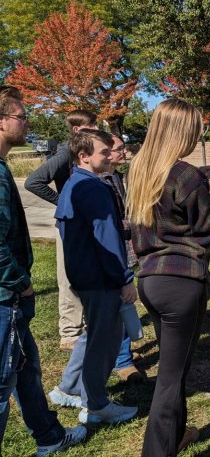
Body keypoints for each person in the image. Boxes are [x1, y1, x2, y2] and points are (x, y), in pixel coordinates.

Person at [126, 98, 210, 456]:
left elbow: (173, 204)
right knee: (170, 381)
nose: (198, 135)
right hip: (181, 282)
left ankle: (176, 434)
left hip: (150, 280)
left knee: (176, 366)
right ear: (182, 132)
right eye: (195, 130)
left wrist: (206, 176)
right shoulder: (184, 175)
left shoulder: (141, 169)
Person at [0, 85, 88, 455]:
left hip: (11, 298)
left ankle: (49, 436)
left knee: (27, 369)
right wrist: (20, 284)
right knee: (3, 383)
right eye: (22, 116)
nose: (27, 121)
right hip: (5, 297)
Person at [51, 129, 139, 425]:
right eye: (103, 152)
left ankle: (69, 387)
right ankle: (96, 404)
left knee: (92, 336)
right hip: (100, 279)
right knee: (105, 341)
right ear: (83, 156)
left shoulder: (73, 184)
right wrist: (124, 278)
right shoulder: (93, 189)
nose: (109, 156)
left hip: (84, 276)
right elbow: (108, 239)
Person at [25, 109, 97, 350]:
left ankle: (86, 326)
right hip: (68, 225)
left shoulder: (83, 153)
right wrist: (63, 202)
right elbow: (33, 182)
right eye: (91, 126)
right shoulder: (66, 152)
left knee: (86, 274)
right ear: (77, 130)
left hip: (85, 224)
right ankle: (69, 333)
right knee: (68, 277)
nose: (96, 129)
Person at [101, 135, 143, 382]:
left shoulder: (116, 176)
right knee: (119, 305)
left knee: (125, 303)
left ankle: (123, 352)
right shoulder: (100, 180)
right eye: (119, 149)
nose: (123, 152)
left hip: (124, 247)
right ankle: (123, 362)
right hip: (113, 253)